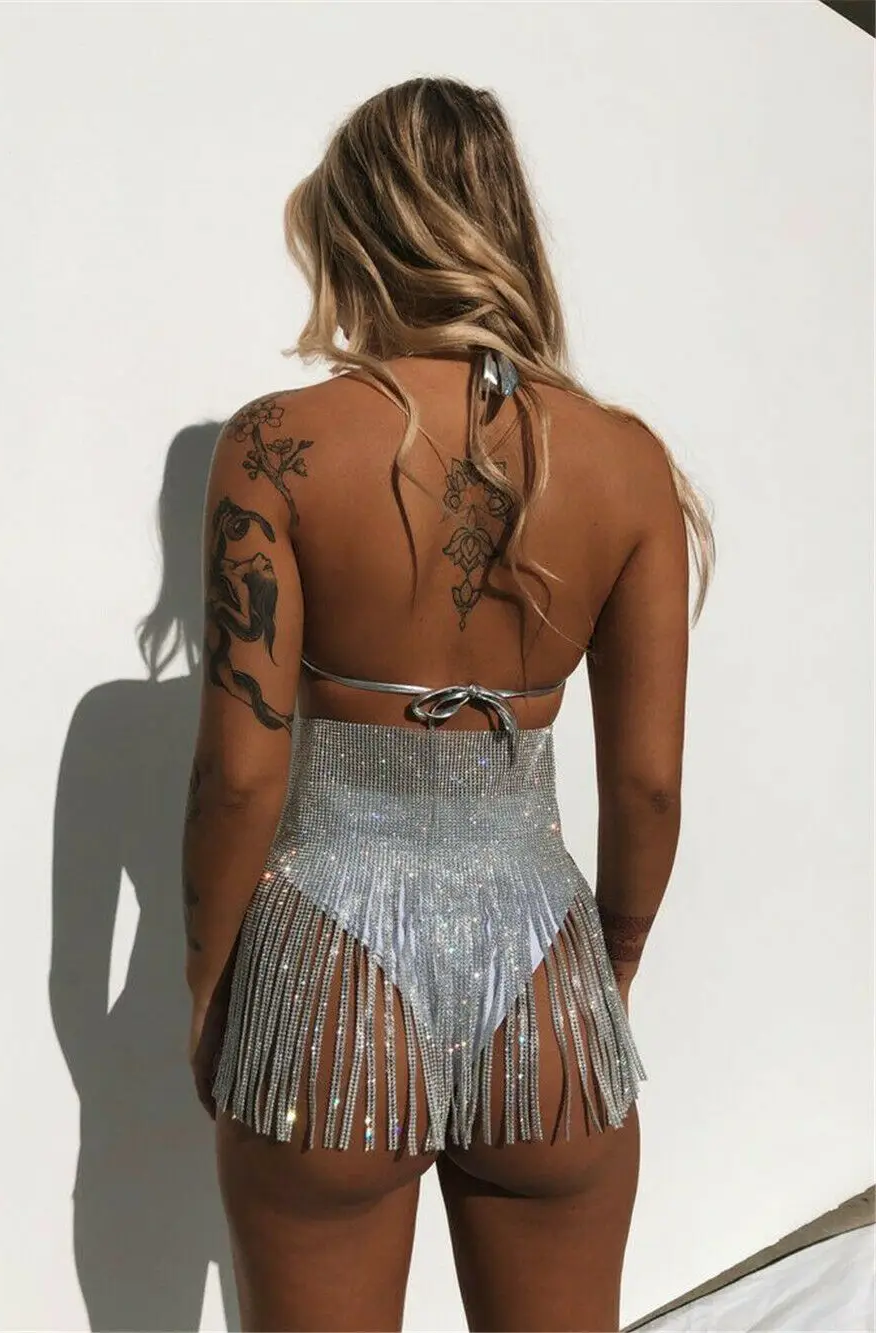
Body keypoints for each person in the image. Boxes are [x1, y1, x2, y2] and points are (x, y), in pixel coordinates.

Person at [182, 76, 714, 1333]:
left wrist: (208, 987)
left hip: (326, 976)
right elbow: (646, 787)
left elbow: (241, 777)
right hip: (545, 976)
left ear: (356, 228)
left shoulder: (275, 444)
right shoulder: (624, 459)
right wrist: (610, 968)